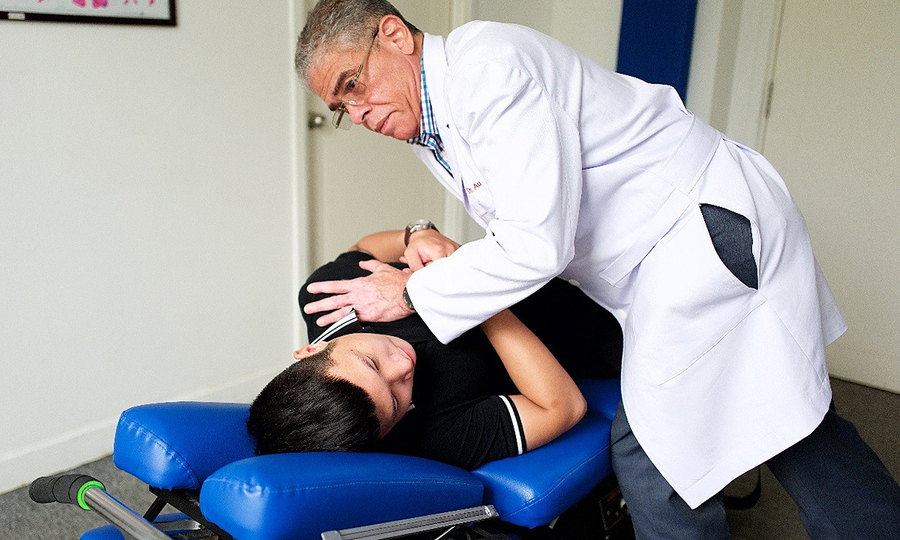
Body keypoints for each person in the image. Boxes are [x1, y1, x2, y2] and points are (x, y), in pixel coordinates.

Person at [295, 1, 900, 537]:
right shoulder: (436, 125)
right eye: (343, 107)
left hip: (697, 236)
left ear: (394, 35)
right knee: (782, 408)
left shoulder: (488, 69)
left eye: (353, 84)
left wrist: (411, 289)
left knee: (657, 453)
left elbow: (535, 245)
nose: (359, 112)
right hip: (652, 264)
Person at [247, 229, 622, 469]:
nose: (401, 367)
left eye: (371, 363)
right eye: (396, 400)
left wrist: (416, 234)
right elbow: (562, 407)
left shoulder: (327, 298)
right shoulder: (433, 434)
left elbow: (362, 248)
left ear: (311, 350)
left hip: (552, 248)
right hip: (602, 326)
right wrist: (455, 292)